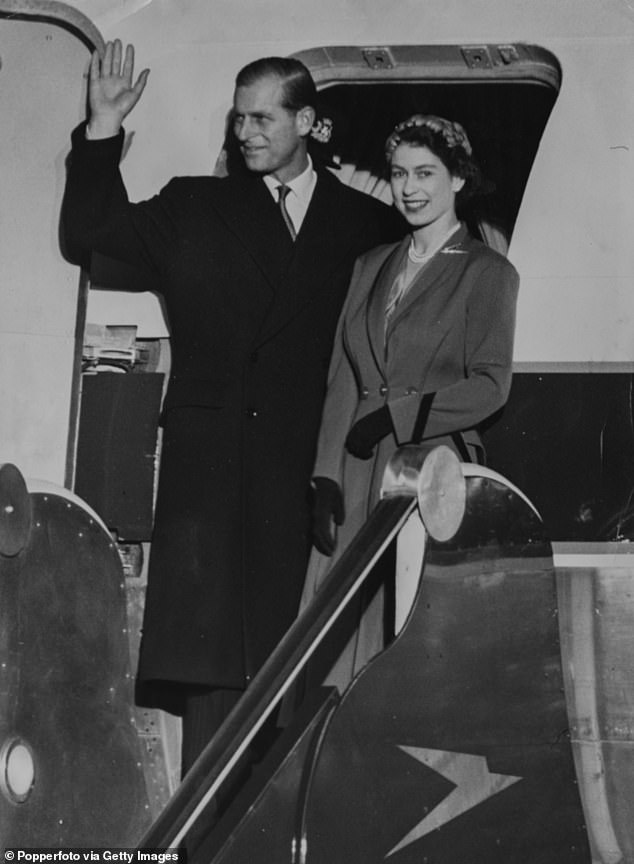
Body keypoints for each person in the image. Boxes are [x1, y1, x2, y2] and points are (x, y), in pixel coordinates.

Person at [61, 41, 404, 776]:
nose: (245, 132)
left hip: (310, 483)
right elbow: (88, 233)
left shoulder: (366, 227)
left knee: (304, 678)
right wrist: (101, 129)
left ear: (308, 122)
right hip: (210, 489)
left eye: (261, 118)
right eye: (237, 119)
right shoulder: (194, 205)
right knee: (215, 692)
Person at [299, 113, 519, 692]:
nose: (410, 189)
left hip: (428, 474)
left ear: (459, 181)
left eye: (426, 173)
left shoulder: (487, 271)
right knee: (332, 642)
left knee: (408, 646)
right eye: (399, 174)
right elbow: (344, 376)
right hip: (356, 471)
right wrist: (324, 476)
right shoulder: (371, 266)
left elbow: (491, 385)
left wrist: (395, 417)